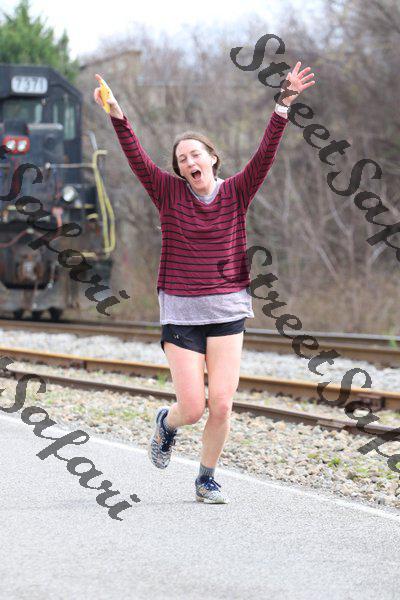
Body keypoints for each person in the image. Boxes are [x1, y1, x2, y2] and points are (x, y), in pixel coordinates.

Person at [93, 62, 315, 504]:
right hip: (181, 311)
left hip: (227, 310)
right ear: (179, 170)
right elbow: (136, 157)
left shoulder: (237, 191)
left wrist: (284, 103)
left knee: (223, 404)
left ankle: (206, 479)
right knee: (193, 408)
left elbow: (266, 153)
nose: (190, 162)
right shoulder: (168, 193)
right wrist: (116, 112)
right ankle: (166, 423)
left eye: (196, 154)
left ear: (212, 158)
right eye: (182, 159)